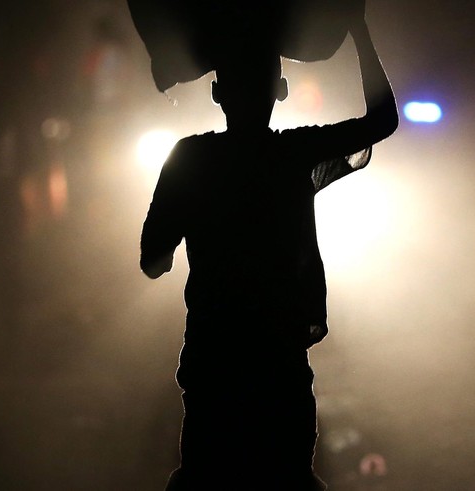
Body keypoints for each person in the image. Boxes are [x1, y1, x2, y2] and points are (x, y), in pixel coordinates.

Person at [140, 14, 397, 491]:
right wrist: (358, 28)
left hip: (213, 365)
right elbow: (382, 122)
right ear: (280, 91)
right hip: (278, 364)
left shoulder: (189, 159)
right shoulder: (295, 155)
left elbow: (153, 262)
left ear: (217, 93)